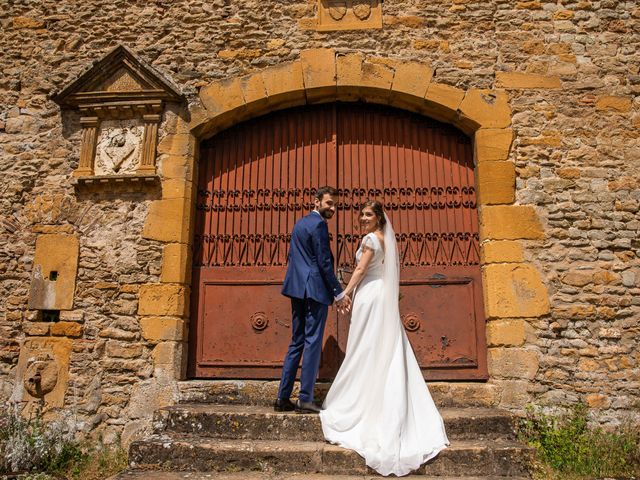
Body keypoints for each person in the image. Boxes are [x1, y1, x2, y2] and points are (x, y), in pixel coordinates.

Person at [319, 200, 449, 477]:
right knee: (380, 346)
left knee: (365, 347)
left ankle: (361, 399)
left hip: (369, 294)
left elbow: (361, 270)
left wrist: (345, 292)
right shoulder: (385, 240)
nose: (364, 218)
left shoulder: (369, 239)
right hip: (382, 296)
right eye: (362, 214)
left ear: (379, 218)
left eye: (369, 214)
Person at [274, 186, 352, 414]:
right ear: (316, 201)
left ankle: (282, 397)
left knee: (296, 341)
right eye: (329, 203)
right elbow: (323, 262)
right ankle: (305, 399)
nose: (333, 208)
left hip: (297, 288)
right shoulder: (319, 224)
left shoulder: (300, 223)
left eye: (335, 204)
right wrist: (338, 293)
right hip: (314, 289)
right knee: (312, 342)